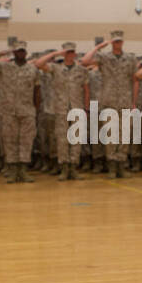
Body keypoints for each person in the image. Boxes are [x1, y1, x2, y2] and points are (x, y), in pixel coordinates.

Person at [81, 30, 136, 177]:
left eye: (119, 41)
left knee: (124, 136)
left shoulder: (130, 59)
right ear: (112, 43)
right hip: (109, 102)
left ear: (123, 42)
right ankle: (112, 166)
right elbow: (85, 61)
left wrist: (134, 102)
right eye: (115, 41)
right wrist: (99, 47)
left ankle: (121, 166)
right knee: (111, 136)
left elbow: (134, 80)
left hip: (125, 102)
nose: (117, 44)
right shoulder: (104, 57)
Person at [0, 39, 39, 183]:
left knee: (26, 142)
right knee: (9, 141)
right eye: (18, 51)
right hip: (8, 111)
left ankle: (23, 171)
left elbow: (37, 90)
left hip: (27, 111)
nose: (21, 53)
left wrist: (36, 110)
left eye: (23, 50)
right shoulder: (4, 67)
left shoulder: (32, 69)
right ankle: (13, 170)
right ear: (14, 53)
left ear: (26, 52)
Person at [37, 42, 90, 180]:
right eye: (67, 52)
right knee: (62, 139)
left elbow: (86, 90)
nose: (70, 54)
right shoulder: (56, 68)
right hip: (60, 109)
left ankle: (73, 167)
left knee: (76, 139)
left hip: (77, 108)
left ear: (75, 53)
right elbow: (39, 64)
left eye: (72, 52)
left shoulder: (82, 70)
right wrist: (55, 54)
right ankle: (64, 168)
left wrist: (86, 108)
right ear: (63, 53)